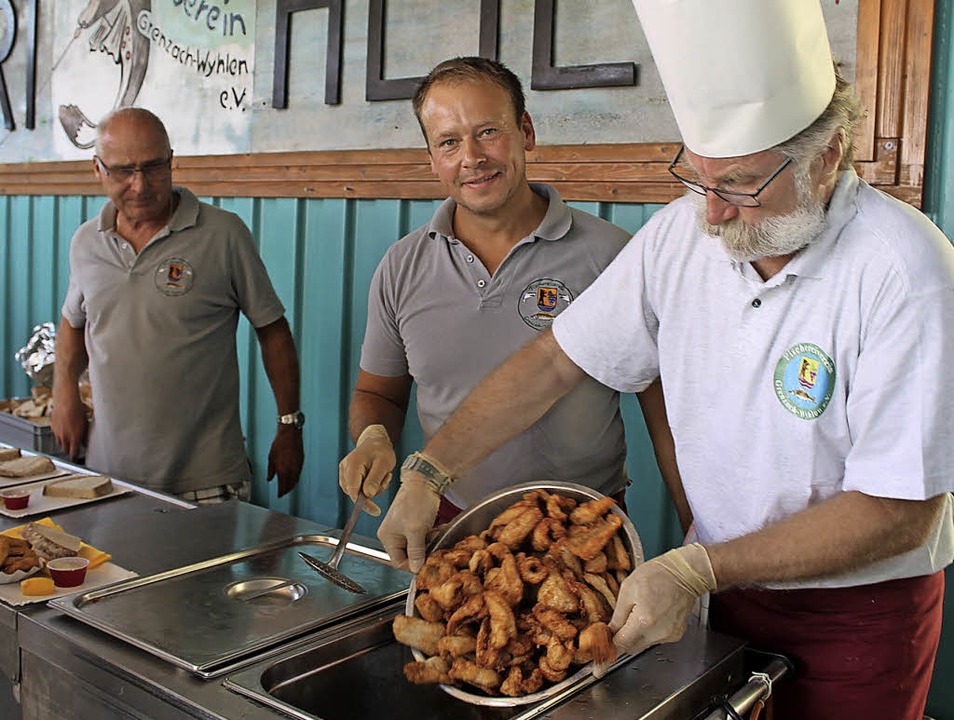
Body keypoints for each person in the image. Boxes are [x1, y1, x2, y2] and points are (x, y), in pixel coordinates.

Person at [376, 2, 954, 718]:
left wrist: (701, 566)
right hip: (712, 592)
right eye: (696, 178)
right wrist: (432, 470)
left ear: (827, 156)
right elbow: (559, 360)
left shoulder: (906, 269)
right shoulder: (680, 235)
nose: (711, 213)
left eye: (739, 185)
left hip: (856, 614)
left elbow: (901, 511)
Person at [338, 56, 679, 533]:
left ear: (526, 132)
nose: (471, 158)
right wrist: (373, 435)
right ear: (433, 159)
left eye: (488, 132)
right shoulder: (402, 265)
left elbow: (665, 406)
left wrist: (694, 524)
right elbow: (378, 391)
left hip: (586, 524)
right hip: (453, 521)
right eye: (449, 142)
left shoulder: (610, 254)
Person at [51, 107, 304, 503]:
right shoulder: (86, 242)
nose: (140, 185)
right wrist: (63, 390)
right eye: (123, 171)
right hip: (107, 476)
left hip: (207, 481)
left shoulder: (224, 234)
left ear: (172, 161)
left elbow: (272, 330)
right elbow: (73, 321)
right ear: (97, 169)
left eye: (153, 167)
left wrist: (289, 425)